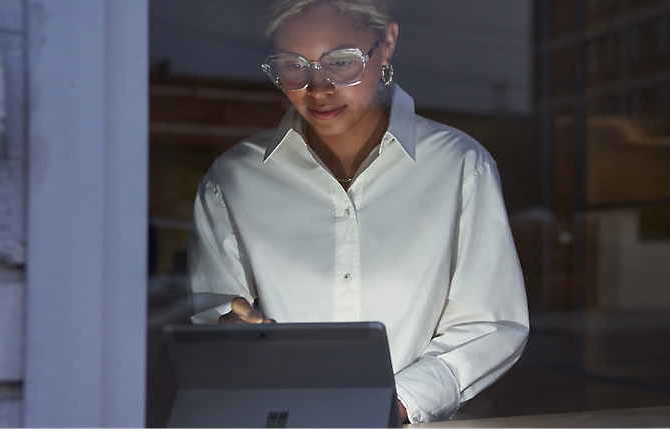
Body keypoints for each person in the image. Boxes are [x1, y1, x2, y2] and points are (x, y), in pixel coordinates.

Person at [186, 0, 529, 423]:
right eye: (292, 66)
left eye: (341, 62)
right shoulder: (234, 180)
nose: (318, 87)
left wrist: (396, 402)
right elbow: (211, 320)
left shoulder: (459, 167)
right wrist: (229, 339)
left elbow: (491, 325)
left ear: (387, 44)